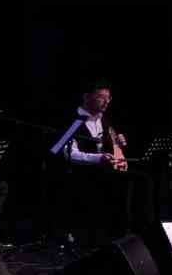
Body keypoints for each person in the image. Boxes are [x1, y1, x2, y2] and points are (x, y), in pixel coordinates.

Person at [54, 81, 157, 240]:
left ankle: (145, 232)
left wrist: (118, 142)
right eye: (101, 97)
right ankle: (121, 235)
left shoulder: (104, 121)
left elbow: (113, 150)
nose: (107, 101)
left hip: (105, 170)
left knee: (144, 178)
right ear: (87, 97)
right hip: (83, 172)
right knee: (129, 181)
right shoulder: (74, 121)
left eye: (108, 98)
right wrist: (99, 158)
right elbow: (67, 153)